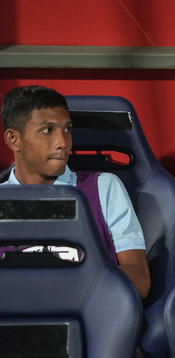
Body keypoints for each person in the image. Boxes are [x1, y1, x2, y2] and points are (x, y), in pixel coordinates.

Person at [0, 85, 150, 299]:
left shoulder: (104, 188)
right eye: (48, 130)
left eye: (67, 129)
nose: (63, 142)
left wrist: (62, 288)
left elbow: (140, 280)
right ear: (14, 140)